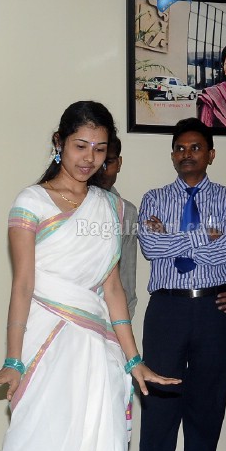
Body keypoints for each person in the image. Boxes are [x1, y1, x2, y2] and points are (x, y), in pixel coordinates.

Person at [0, 101, 177, 451]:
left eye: (100, 149)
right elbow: (23, 283)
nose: (88, 158)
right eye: (80, 146)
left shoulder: (109, 209)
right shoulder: (31, 202)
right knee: (37, 447)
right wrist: (13, 360)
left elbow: (111, 287)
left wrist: (134, 360)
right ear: (59, 143)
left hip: (97, 348)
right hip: (46, 337)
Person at [128, 118, 226, 451]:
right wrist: (205, 239)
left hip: (216, 309)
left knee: (207, 405)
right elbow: (149, 244)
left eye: (195, 148)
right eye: (179, 148)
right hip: (167, 311)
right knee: (159, 403)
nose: (186, 154)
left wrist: (177, 237)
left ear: (210, 153)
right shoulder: (153, 197)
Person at [103, 136, 138, 318]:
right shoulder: (66, 207)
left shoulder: (127, 213)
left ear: (119, 163)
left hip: (112, 321)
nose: (101, 170)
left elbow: (127, 278)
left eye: (108, 162)